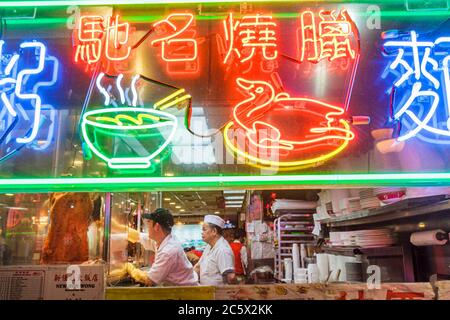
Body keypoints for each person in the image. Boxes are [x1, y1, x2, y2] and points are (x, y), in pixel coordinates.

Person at [125, 208, 198, 286]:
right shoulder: (164, 239)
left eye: (149, 222)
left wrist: (129, 268)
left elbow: (149, 280)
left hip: (186, 293)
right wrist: (120, 228)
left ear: (156, 226)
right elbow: (138, 236)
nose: (147, 226)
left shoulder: (168, 251)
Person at [194, 215, 236, 285]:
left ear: (214, 231)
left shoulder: (223, 250)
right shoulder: (209, 246)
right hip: (206, 292)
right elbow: (198, 266)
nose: (202, 232)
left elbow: (231, 277)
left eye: (204, 229)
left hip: (218, 294)